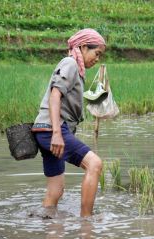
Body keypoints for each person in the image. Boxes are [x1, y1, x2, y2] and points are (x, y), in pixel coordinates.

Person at [32, 29, 105, 217]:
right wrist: (57, 133)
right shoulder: (70, 63)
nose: (97, 59)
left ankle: (49, 231)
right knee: (94, 164)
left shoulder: (77, 69)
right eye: (96, 53)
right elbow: (55, 95)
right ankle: (86, 222)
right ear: (82, 47)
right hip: (52, 130)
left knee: (56, 191)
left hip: (45, 130)